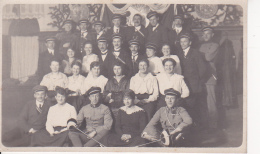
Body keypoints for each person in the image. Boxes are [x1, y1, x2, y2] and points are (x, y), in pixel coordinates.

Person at [176, 32, 207, 128]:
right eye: (181, 42)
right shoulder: (179, 54)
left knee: (194, 106)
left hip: (194, 85)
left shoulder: (195, 53)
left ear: (190, 42)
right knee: (186, 105)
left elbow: (203, 69)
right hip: (184, 84)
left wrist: (197, 81)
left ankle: (198, 126)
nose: (183, 44)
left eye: (185, 42)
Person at [199, 27, 220, 130]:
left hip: (210, 77)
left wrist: (198, 55)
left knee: (211, 102)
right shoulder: (201, 46)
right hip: (200, 77)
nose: (206, 36)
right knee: (202, 102)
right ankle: (204, 125)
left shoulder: (215, 45)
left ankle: (213, 126)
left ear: (212, 35)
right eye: (204, 34)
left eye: (208, 33)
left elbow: (208, 58)